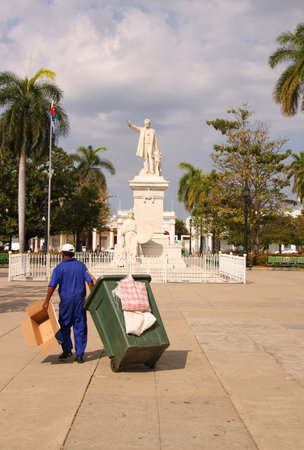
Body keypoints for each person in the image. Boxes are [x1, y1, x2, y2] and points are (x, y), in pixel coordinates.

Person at [43, 243, 94, 363]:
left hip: (66, 301)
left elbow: (52, 285)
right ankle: (80, 355)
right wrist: (92, 297)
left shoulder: (59, 268)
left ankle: (67, 350)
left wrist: (46, 301)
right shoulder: (81, 266)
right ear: (73, 254)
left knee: (64, 326)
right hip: (79, 301)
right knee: (80, 326)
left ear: (62, 254)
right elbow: (90, 282)